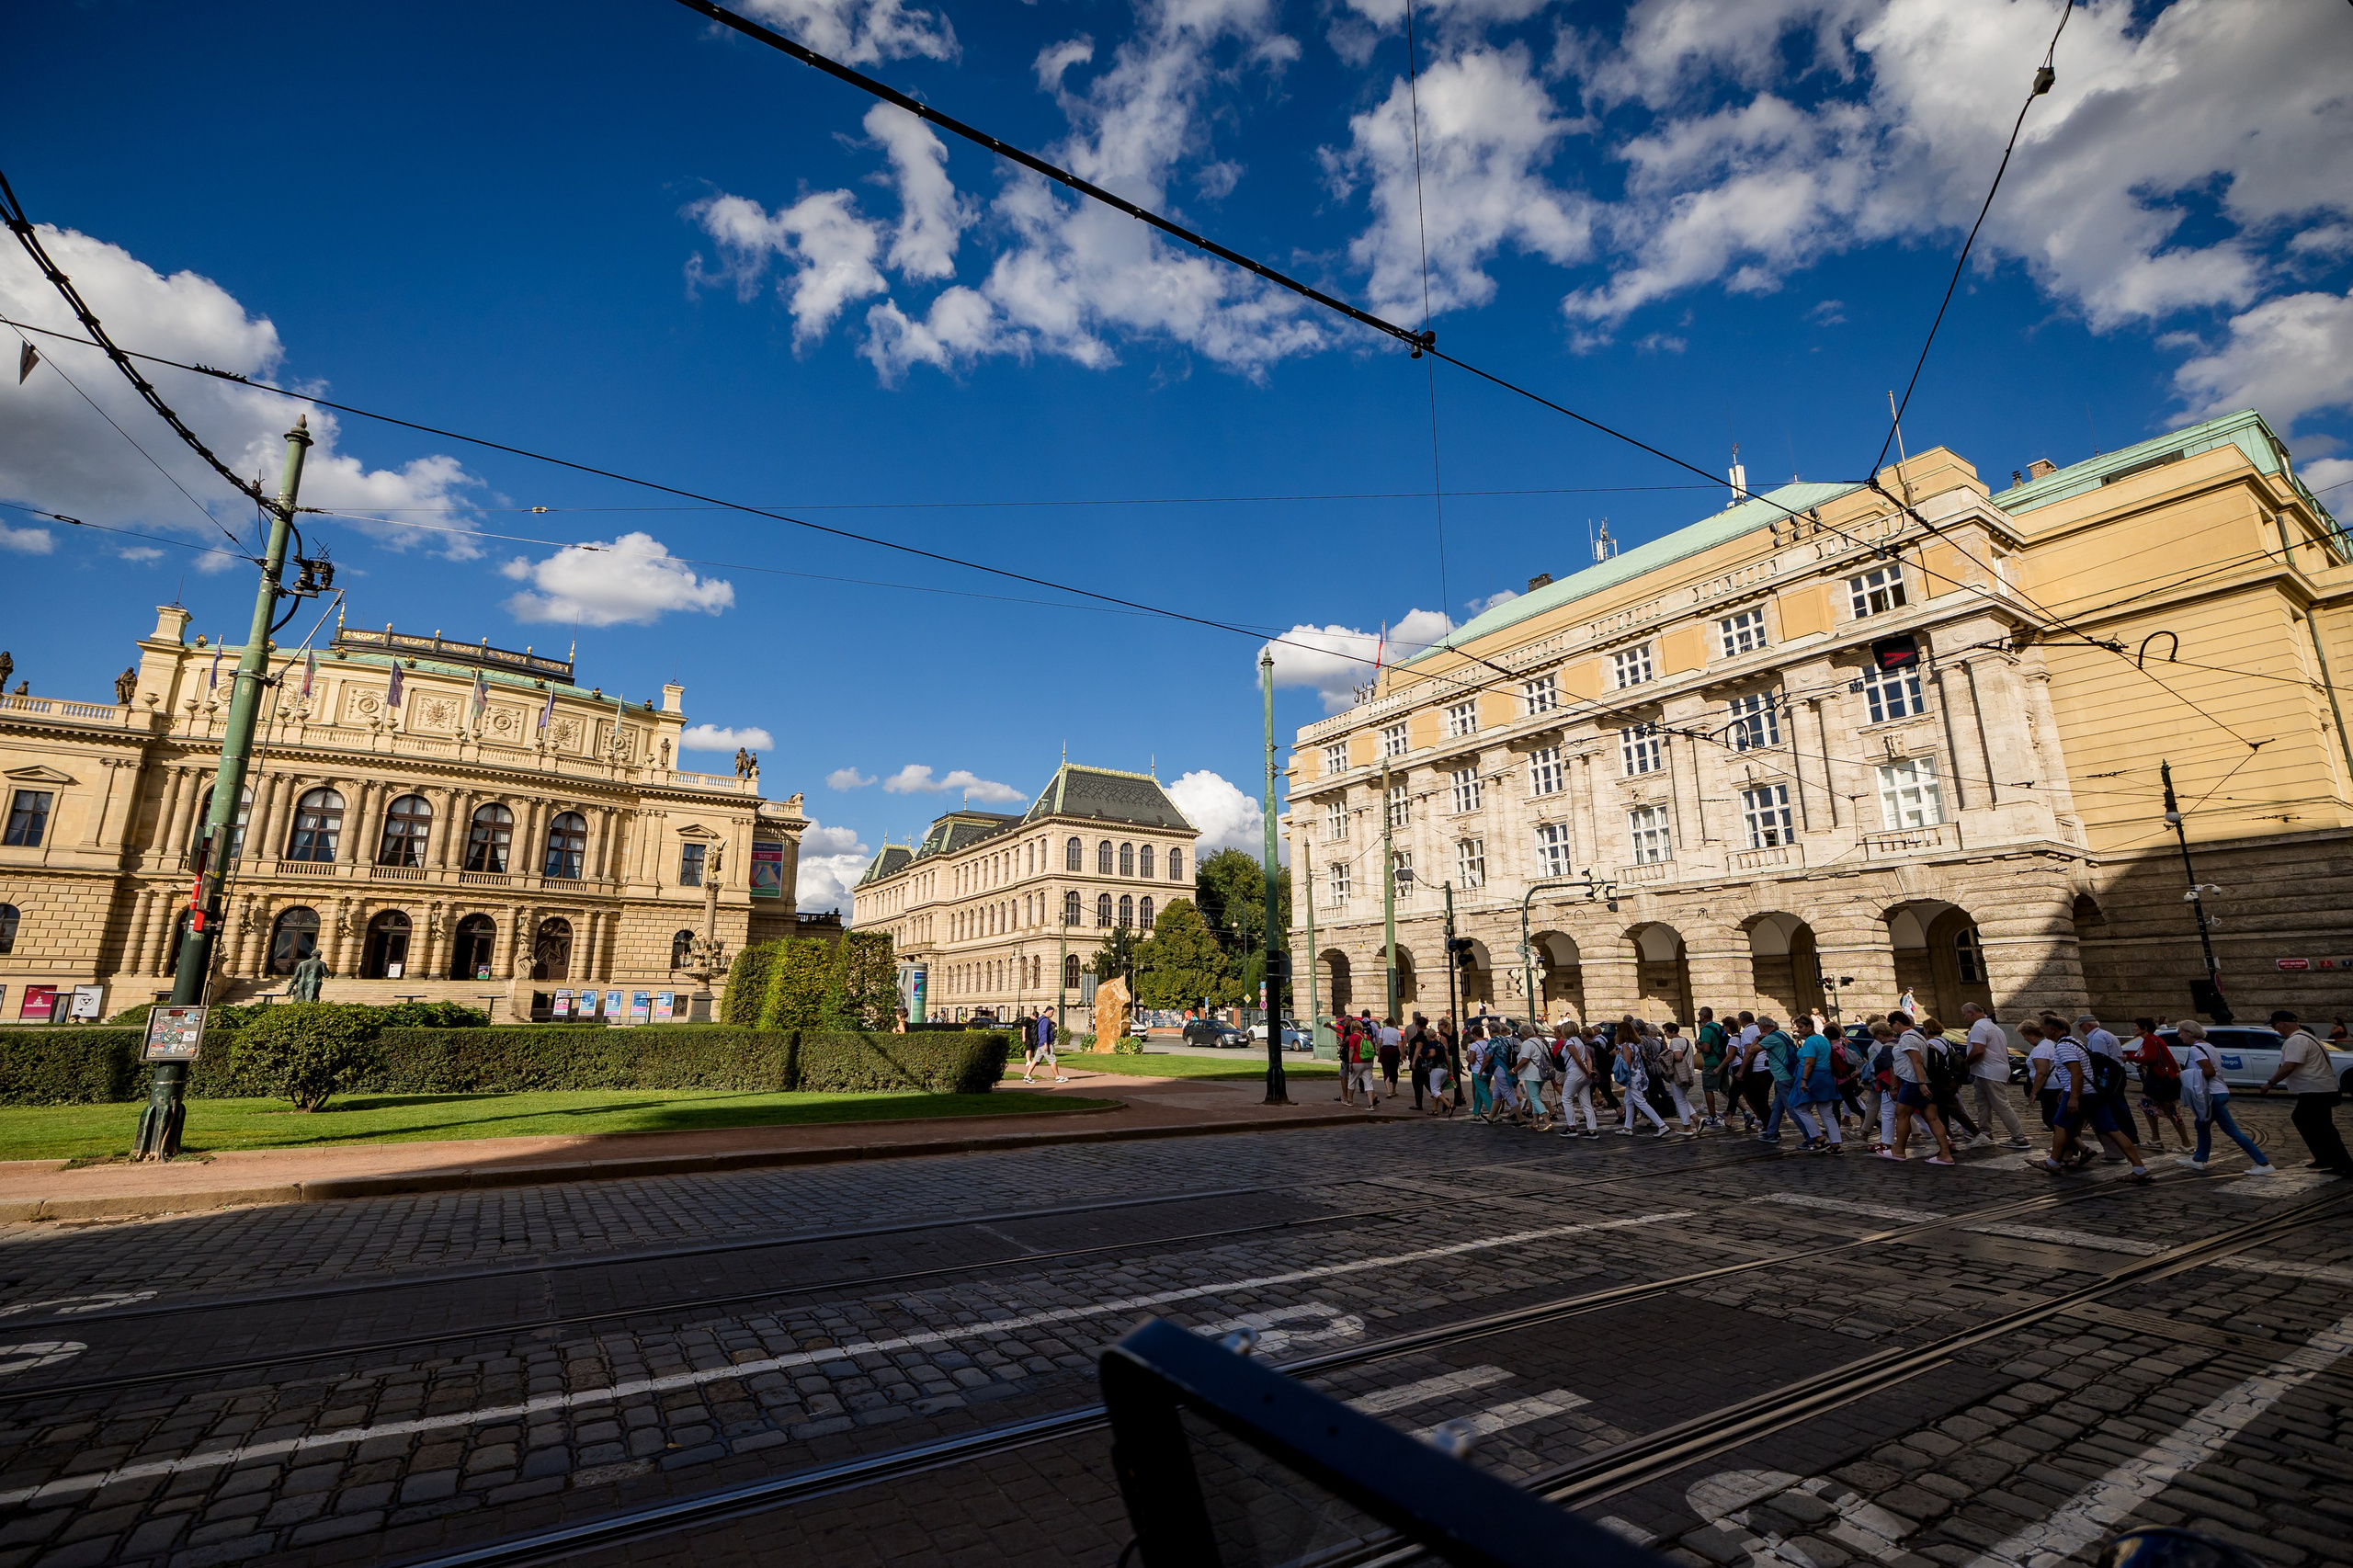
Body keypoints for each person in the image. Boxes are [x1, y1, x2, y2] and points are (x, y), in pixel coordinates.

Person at [2041, 1023, 2154, 1182]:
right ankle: (2139, 1168)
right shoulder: (2074, 1041)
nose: (2042, 1031)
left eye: (2043, 1028)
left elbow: (2077, 1073)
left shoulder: (2063, 1046)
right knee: (2112, 1130)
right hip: (2092, 1092)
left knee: (2060, 1125)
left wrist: (2073, 1097)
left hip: (2081, 1094)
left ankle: (2053, 1163)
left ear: (2052, 1029)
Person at [2258, 1009, 2353, 1176]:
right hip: (2320, 1088)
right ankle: (2325, 1158)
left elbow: (2289, 1065)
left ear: (2281, 1024)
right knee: (2314, 1123)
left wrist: (2270, 1083)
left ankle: (2342, 1163)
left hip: (2315, 1089)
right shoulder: (2307, 1036)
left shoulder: (2297, 1040)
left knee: (2319, 1126)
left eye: (2274, 1026)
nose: (2276, 1030)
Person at [2173, 1019, 2274, 1174]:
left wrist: (2183, 1075)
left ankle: (2263, 1163)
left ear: (2190, 1033)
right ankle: (2198, 1159)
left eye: (2180, 1032)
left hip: (2212, 1094)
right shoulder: (2209, 1046)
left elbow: (2209, 1071)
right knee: (2201, 1124)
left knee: (2231, 1130)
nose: (2179, 1036)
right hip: (2218, 1091)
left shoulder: (2195, 1049)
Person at [1883, 1012, 1957, 1165]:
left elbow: (1917, 1061)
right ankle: (1945, 1153)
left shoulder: (1908, 1038)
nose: (1892, 1028)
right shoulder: (1919, 1036)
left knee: (1902, 1115)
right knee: (1932, 1118)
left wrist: (1921, 1083)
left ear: (1897, 1023)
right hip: (1924, 1082)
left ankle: (1899, 1150)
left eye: (1891, 1025)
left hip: (1913, 1082)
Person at [1960, 1003, 2032, 1149]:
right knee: (1983, 1102)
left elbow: (1978, 1050)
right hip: (1987, 1071)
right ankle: (1984, 1132)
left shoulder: (1979, 1027)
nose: (1965, 1018)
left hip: (1988, 1071)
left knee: (2001, 1104)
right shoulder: (1994, 1027)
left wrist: (1965, 1064)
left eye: (1965, 1015)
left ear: (1971, 1013)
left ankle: (2019, 1137)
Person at [2128, 1016, 2189, 1153]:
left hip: (2162, 1082)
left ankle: (2186, 1143)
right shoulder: (2152, 1039)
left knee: (2171, 1111)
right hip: (2157, 1081)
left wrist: (2130, 1058)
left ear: (2145, 1028)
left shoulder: (2150, 1040)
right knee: (2146, 1105)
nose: (2134, 1028)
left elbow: (2151, 1058)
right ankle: (2155, 1139)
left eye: (2136, 1026)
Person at [1789, 1019, 1845, 1154]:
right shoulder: (1823, 1039)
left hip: (1813, 1078)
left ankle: (1818, 1137)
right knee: (1827, 1113)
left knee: (1799, 1107)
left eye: (1801, 1027)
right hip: (1826, 1077)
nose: (1799, 1030)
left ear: (1809, 1026)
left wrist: (1804, 1080)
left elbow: (1809, 1062)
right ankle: (1836, 1144)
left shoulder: (1810, 1042)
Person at [1615, 1032, 1670, 1137]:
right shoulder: (1635, 1045)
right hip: (1638, 1074)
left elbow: (1627, 1063)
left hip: (1632, 1077)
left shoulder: (1626, 1046)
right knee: (1628, 1101)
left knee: (1640, 1102)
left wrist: (1618, 1058)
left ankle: (1662, 1125)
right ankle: (1627, 1127)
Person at [1754, 1016, 1798, 1144]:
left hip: (1782, 1076)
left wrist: (1758, 1038)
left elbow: (1751, 1050)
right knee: (1777, 1107)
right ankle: (1772, 1133)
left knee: (1791, 1109)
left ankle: (1812, 1137)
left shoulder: (1770, 1038)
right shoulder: (1782, 1034)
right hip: (1788, 1073)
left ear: (1762, 1027)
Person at [1555, 1024, 1599, 1139]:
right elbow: (1587, 1058)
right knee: (1586, 1102)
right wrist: (1589, 1070)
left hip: (1575, 1073)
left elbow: (1578, 1060)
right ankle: (1592, 1129)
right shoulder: (1580, 1042)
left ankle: (1571, 1127)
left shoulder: (1570, 1043)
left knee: (1566, 1098)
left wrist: (1586, 1071)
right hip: (1584, 1075)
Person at [1657, 1021, 1700, 1133]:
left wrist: (1667, 1057)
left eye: (1666, 1031)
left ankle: (1687, 1127)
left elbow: (1678, 1057)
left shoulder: (1675, 1042)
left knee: (1679, 1100)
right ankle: (1696, 1119)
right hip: (1688, 1073)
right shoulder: (1685, 1040)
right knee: (1681, 1098)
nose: (1665, 1033)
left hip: (1680, 1075)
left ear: (1673, 1031)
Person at [1696, 1007, 1731, 1129]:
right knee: (1725, 1090)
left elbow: (1706, 1048)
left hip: (1711, 1063)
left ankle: (1712, 1117)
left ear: (1703, 1016)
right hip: (1722, 1061)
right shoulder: (1718, 1027)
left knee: (1708, 1089)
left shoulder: (1706, 1029)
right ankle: (1746, 1112)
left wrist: (1698, 1045)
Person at [1516, 1028, 1554, 1131]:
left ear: (1524, 1034)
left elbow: (1525, 1059)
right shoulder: (1541, 1042)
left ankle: (1547, 1121)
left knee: (1534, 1098)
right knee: (1536, 1097)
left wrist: (1514, 1070)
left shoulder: (1527, 1043)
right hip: (1542, 1073)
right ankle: (1535, 1122)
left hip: (1531, 1074)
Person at [1415, 1030, 1453, 1115]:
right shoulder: (1441, 1045)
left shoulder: (1432, 1044)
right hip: (1444, 1069)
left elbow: (1432, 1054)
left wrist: (1424, 1056)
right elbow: (1447, 1058)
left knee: (1434, 1090)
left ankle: (1449, 1105)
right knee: (1437, 1089)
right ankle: (1434, 1109)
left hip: (1436, 1069)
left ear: (1428, 1036)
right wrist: (1450, 1070)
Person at [1023, 1011, 1065, 1083]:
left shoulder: (1041, 1019)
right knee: (1052, 1060)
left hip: (1040, 1044)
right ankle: (1057, 1077)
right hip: (1045, 1044)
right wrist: (1046, 1043)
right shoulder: (1046, 1020)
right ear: (1048, 1011)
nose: (1053, 1014)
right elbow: (1044, 1032)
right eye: (1052, 1012)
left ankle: (1027, 1076)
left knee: (1035, 1061)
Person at [1377, 1018, 1403, 1096]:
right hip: (1394, 1050)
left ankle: (1388, 1091)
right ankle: (1394, 1090)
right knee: (1394, 1070)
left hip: (1385, 1050)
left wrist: (1379, 1052)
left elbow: (1379, 1042)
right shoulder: (1397, 1032)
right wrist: (1401, 1055)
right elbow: (1399, 1045)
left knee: (1386, 1070)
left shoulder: (1383, 1030)